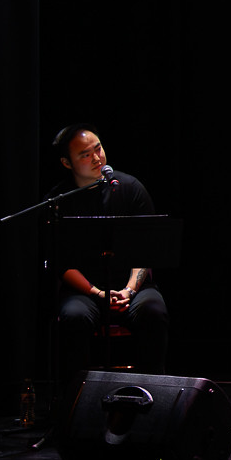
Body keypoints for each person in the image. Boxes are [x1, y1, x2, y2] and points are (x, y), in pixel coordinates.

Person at [50, 125, 169, 377]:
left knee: (153, 310)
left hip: (131, 287)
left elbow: (146, 251)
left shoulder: (130, 188)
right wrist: (97, 293)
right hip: (85, 289)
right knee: (73, 317)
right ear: (66, 162)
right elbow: (62, 263)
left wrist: (128, 290)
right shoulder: (60, 199)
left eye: (98, 148)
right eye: (85, 154)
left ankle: (153, 392)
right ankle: (75, 398)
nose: (97, 158)